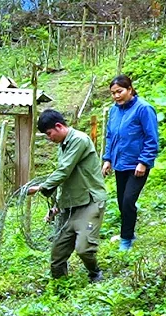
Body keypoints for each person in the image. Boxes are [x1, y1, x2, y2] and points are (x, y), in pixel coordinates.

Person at [28, 109, 107, 282]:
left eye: (49, 134)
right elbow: (65, 179)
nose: (50, 138)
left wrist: (41, 187)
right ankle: (60, 287)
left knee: (84, 248)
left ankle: (95, 272)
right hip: (69, 207)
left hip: (89, 204)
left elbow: (64, 171)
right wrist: (56, 206)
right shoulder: (62, 146)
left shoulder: (79, 140)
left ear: (58, 126)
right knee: (57, 255)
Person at [102, 74, 159, 251]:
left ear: (130, 89)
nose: (116, 96)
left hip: (137, 165)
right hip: (120, 163)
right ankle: (129, 232)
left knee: (128, 200)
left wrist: (143, 162)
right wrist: (107, 159)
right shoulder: (114, 111)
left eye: (120, 91)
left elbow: (152, 138)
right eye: (113, 93)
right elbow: (110, 136)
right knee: (121, 201)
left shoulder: (144, 109)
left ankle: (126, 239)